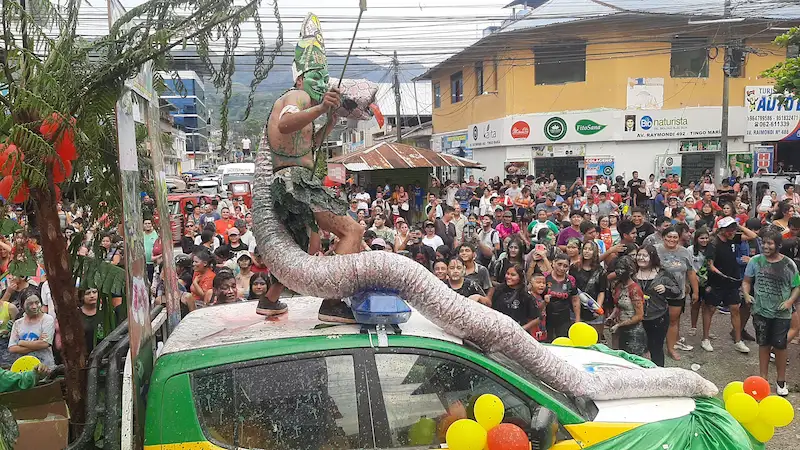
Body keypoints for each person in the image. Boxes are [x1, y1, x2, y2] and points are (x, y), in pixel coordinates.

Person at [259, 15, 364, 323]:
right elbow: (285, 122)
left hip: (290, 180)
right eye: (316, 77)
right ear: (302, 78)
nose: (321, 83)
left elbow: (307, 146)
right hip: (295, 182)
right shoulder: (297, 96)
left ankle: (270, 299)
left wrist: (328, 122)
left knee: (303, 245)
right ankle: (332, 301)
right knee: (353, 230)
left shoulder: (305, 103)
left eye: (324, 78)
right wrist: (319, 108)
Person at [742, 230, 800, 397]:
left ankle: (781, 380)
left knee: (780, 345)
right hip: (760, 311)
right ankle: (763, 379)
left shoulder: (788, 264)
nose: (766, 246)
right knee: (763, 344)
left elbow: (797, 286)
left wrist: (789, 302)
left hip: (782, 313)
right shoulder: (755, 261)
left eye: (770, 243)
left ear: (778, 245)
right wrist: (746, 294)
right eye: (764, 243)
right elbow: (746, 281)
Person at [702, 217, 758, 353]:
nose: (732, 231)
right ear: (722, 230)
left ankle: (738, 341)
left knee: (735, 309)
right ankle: (705, 338)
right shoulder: (713, 243)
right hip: (716, 283)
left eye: (733, 229)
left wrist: (738, 226)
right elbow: (710, 265)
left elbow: (753, 235)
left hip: (732, 282)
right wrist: (721, 274)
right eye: (729, 229)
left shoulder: (733, 238)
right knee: (710, 309)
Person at [635, 245, 682, 365]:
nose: (641, 258)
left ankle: (659, 374)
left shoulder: (661, 273)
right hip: (636, 317)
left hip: (658, 317)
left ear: (652, 257)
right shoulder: (633, 272)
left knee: (656, 348)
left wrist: (666, 289)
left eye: (645, 255)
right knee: (638, 349)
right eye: (639, 255)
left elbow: (677, 291)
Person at [609, 256, 647, 356]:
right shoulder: (619, 285)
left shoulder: (634, 289)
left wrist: (619, 325)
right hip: (619, 331)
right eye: (617, 268)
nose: (618, 271)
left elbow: (639, 316)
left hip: (633, 333)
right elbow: (618, 305)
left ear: (629, 271)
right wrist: (611, 317)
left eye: (622, 269)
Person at [569, 241, 606, 338]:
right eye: (585, 249)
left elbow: (601, 291)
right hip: (576, 307)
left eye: (590, 249)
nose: (587, 251)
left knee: (594, 337)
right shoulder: (574, 268)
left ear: (595, 252)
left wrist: (597, 308)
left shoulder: (600, 270)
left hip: (593, 306)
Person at [8, 294, 55, 367]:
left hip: (44, 365)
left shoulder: (47, 319)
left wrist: (21, 342)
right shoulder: (18, 323)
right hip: (23, 367)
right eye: (30, 304)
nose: (34, 306)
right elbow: (12, 348)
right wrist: (36, 343)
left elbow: (45, 344)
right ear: (22, 305)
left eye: (37, 302)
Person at [489, 263, 540, 331]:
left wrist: (521, 329)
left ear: (520, 277)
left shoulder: (526, 296)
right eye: (507, 274)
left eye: (513, 275)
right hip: (497, 329)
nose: (509, 277)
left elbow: (537, 319)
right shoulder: (498, 290)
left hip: (516, 333)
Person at [544, 253, 580, 340]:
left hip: (563, 318)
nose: (561, 268)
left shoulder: (570, 280)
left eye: (565, 266)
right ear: (553, 263)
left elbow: (575, 299)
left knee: (562, 343)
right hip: (546, 317)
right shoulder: (544, 277)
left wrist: (577, 319)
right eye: (559, 264)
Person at [688, 228, 710, 337]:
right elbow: (689, 266)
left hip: (708, 281)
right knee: (695, 304)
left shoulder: (711, 249)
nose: (704, 240)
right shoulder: (690, 250)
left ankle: (707, 329)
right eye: (702, 238)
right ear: (696, 239)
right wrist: (694, 277)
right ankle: (693, 326)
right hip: (695, 280)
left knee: (707, 306)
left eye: (706, 238)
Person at [78, 288, 105, 355]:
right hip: (84, 355)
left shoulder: (106, 312)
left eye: (94, 292)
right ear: (81, 297)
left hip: (104, 354)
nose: (92, 295)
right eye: (88, 293)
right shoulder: (76, 314)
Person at [143, 219, 158, 283]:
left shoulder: (155, 234)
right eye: (145, 223)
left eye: (149, 223)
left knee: (152, 280)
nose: (147, 225)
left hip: (153, 263)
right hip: (143, 262)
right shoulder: (141, 235)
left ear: (152, 225)